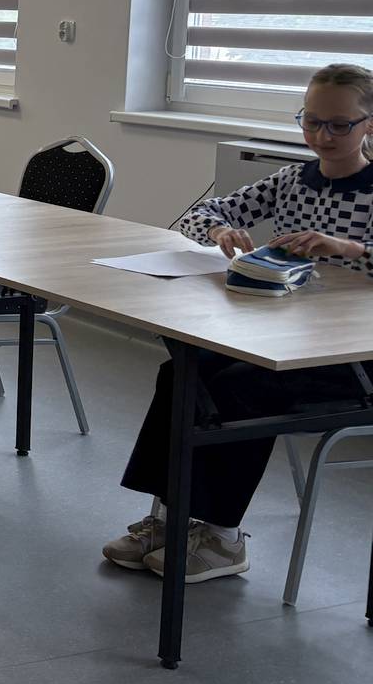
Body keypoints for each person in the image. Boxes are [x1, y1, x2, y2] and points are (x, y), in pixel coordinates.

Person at [103, 62, 373, 584]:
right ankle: (171, 518)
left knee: (244, 391)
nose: (322, 135)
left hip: (350, 357)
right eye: (311, 121)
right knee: (183, 372)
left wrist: (350, 248)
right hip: (283, 334)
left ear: (369, 125)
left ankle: (224, 538)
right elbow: (196, 213)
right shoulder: (293, 179)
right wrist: (220, 231)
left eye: (340, 125)